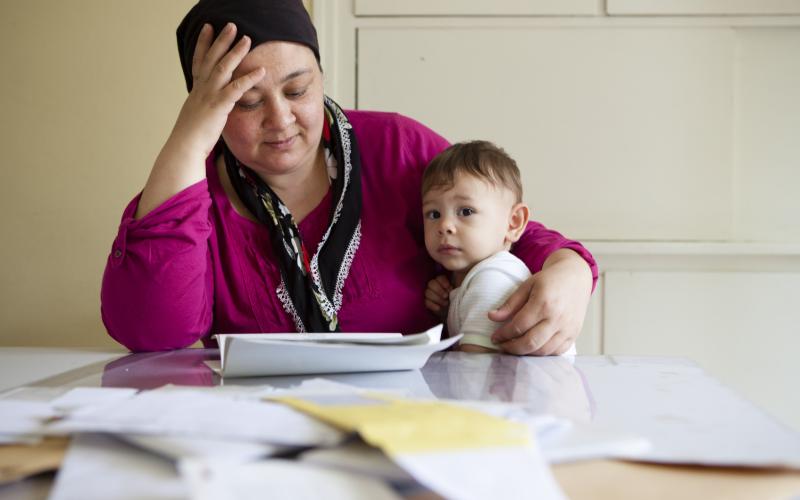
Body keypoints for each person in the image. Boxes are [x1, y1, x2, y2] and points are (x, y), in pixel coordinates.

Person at [100, 0, 597, 354]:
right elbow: (153, 331)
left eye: (298, 89)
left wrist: (571, 272)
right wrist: (188, 139)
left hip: (416, 421)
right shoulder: (192, 189)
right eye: (246, 102)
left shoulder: (396, 147)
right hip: (256, 437)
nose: (281, 120)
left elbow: (507, 231)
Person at [422, 141, 575, 354]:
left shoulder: (493, 278)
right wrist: (448, 308)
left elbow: (475, 373)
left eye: (465, 211)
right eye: (434, 214)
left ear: (513, 222)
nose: (444, 226)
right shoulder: (474, 278)